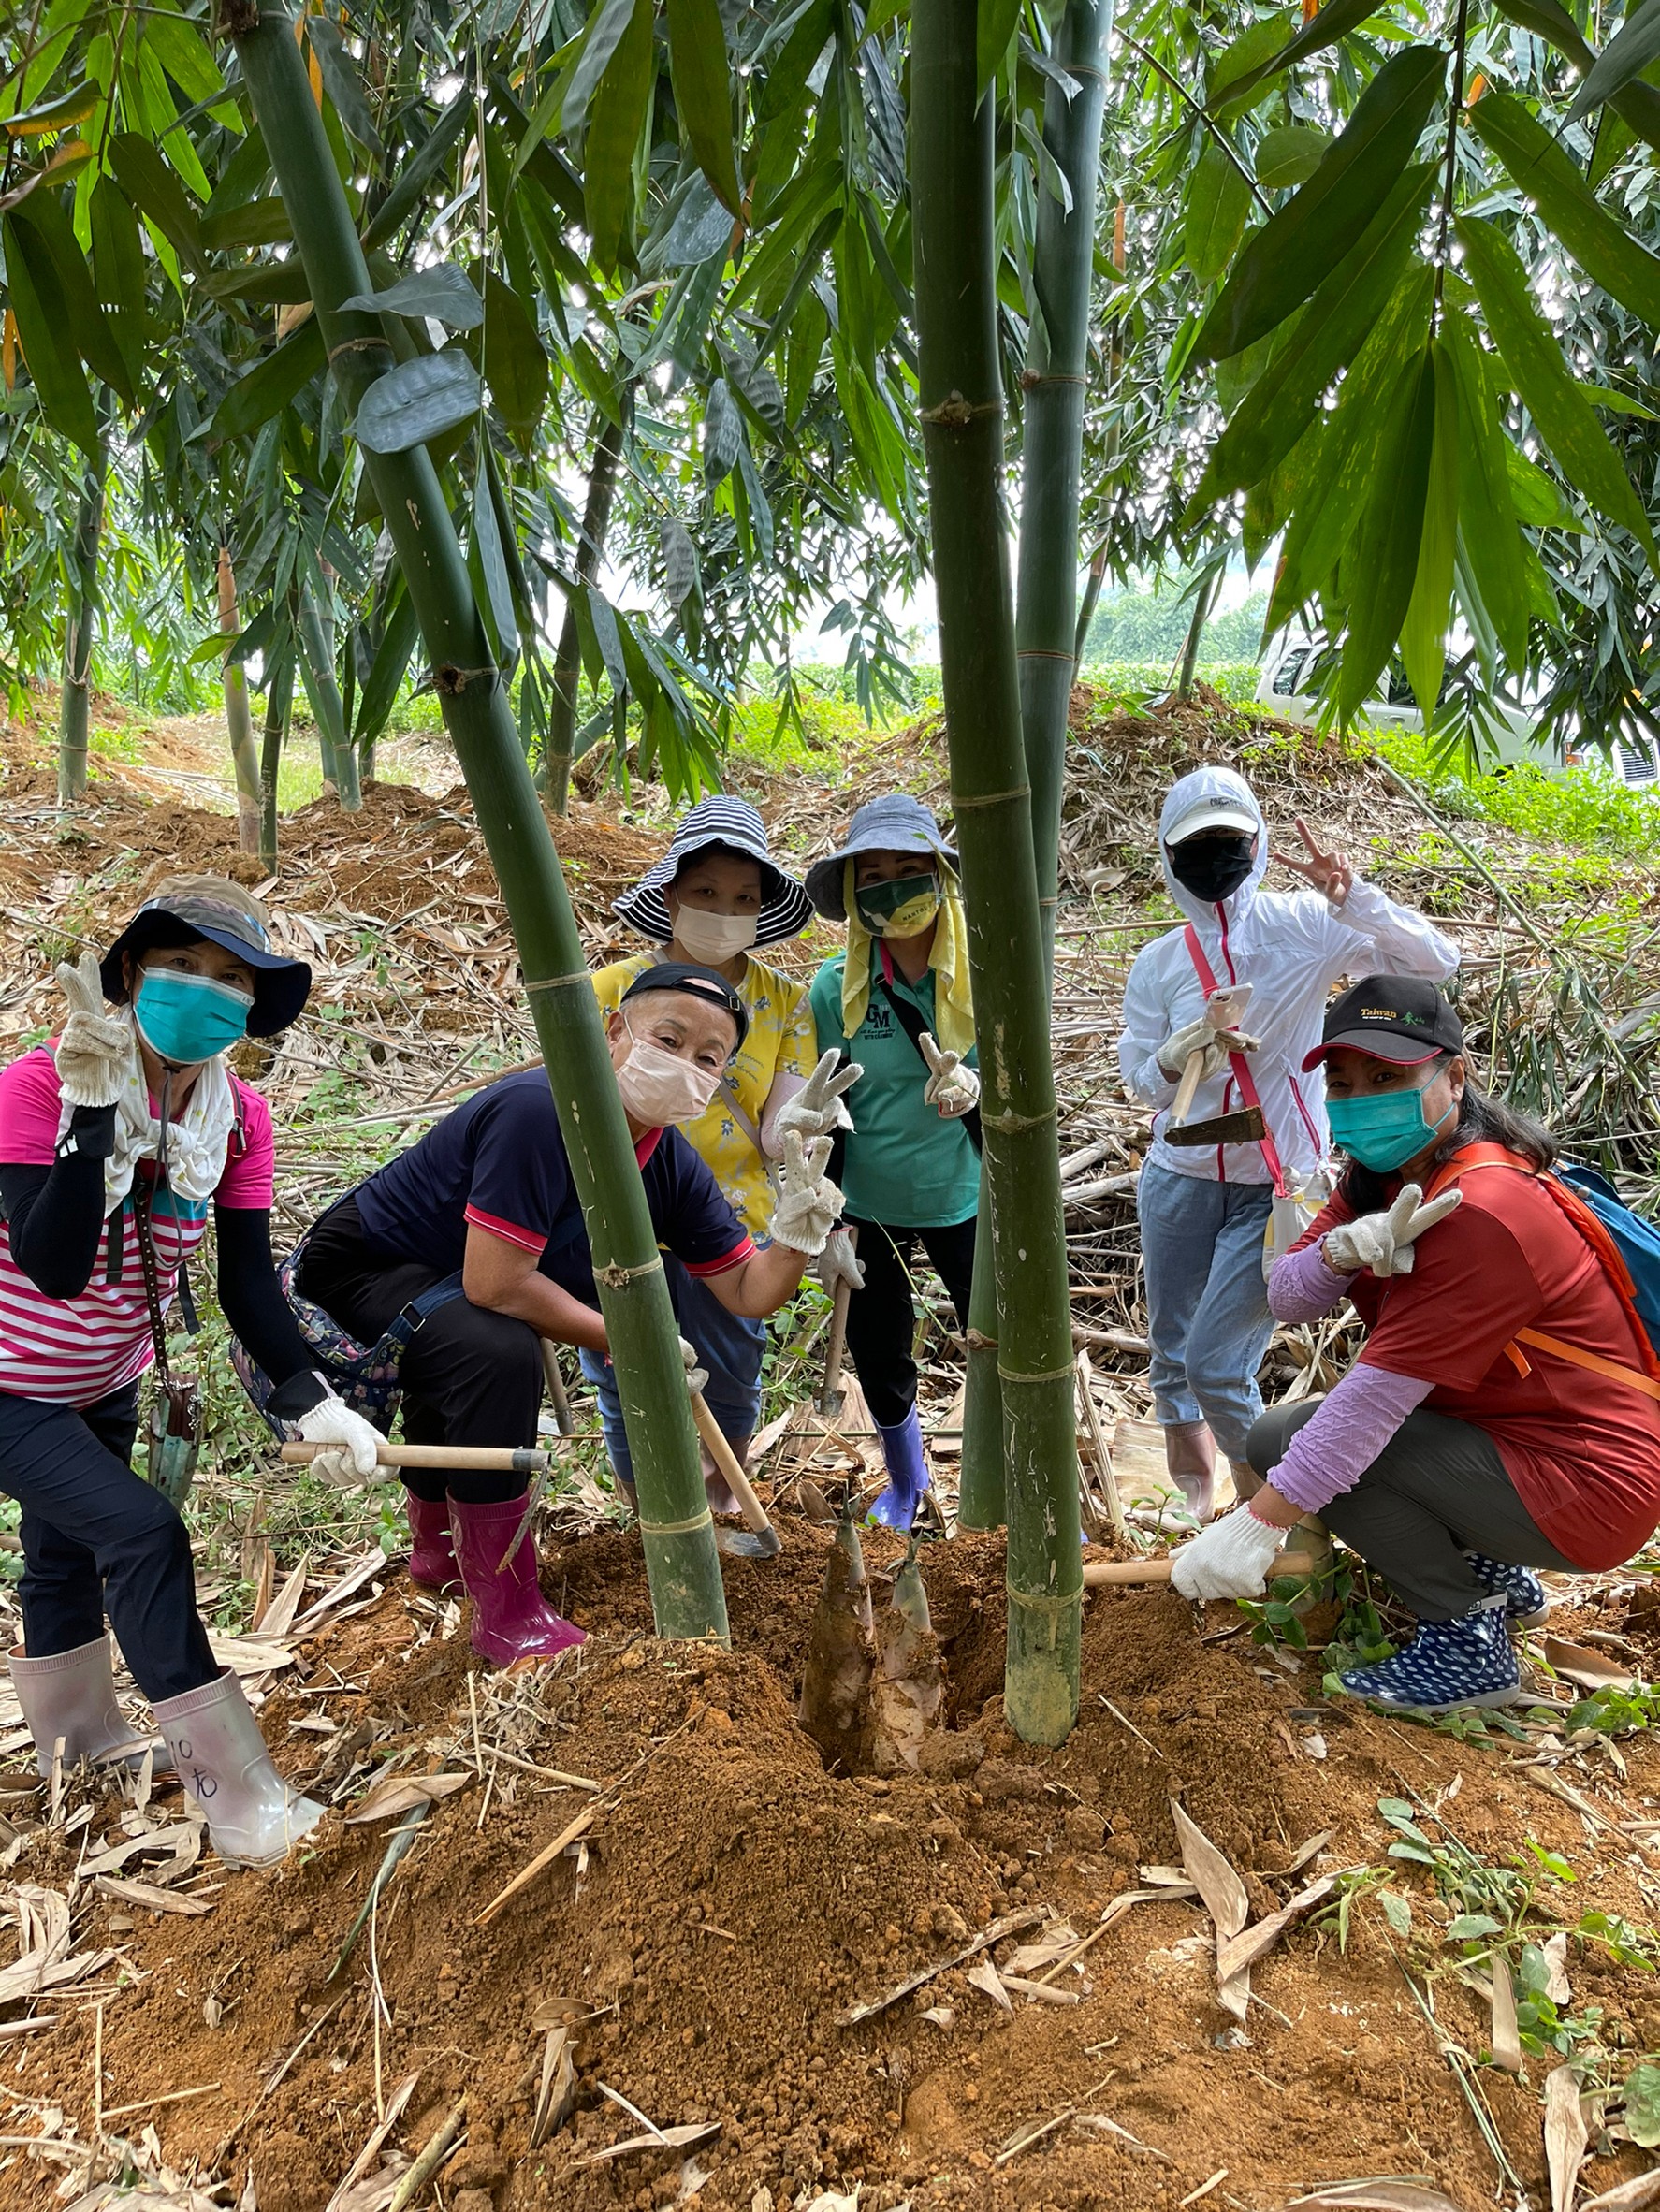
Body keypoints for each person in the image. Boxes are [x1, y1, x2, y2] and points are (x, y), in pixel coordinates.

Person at [294, 963, 844, 1662]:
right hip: (361, 1269)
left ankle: (440, 1552)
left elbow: (745, 1291)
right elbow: (495, 1282)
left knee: (477, 1338)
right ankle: (508, 1611)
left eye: (708, 1058)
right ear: (614, 1032)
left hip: (448, 1286)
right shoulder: (539, 1111)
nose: (684, 1066)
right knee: (493, 1348)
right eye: (668, 1040)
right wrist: (632, 1339)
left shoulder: (666, 1159)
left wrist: (796, 1233)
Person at [0, 878, 384, 1867]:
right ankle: (240, 1796)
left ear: (251, 1008)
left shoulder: (237, 1117)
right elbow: (53, 1265)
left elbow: (247, 1285)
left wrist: (316, 1403)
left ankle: (76, 1753)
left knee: (64, 1556)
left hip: (105, 1375)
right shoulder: (39, 1087)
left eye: (229, 978)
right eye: (182, 966)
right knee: (143, 1531)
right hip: (9, 1384)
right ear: (132, 971)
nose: (203, 991)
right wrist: (91, 1115)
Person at [1170, 976, 1660, 1713]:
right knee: (1287, 1438)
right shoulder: (1385, 1176)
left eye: (1388, 1077)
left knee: (1299, 1444)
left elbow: (1373, 1401)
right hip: (1512, 1438)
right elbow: (1288, 1296)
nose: (1362, 1099)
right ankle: (1493, 1575)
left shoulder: (1482, 1211)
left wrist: (1256, 1526)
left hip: (1588, 1482)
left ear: (1453, 1076)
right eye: (1345, 1081)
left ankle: (1466, 1637)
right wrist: (1341, 1251)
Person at [1117, 765, 1459, 1523]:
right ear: (1168, 857)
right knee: (1172, 1349)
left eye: (1229, 841)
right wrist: (1177, 1053)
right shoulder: (1160, 962)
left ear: (1258, 841)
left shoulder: (1305, 923)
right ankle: (1196, 1498)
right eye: (1195, 846)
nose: (1213, 860)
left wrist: (1355, 899)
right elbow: (1141, 1078)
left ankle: (1270, 1515)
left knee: (1215, 1360)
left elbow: (1434, 965)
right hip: (1178, 1175)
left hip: (1280, 1184)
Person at [590, 797, 853, 1509]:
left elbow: (778, 1130)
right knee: (625, 1369)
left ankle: (720, 1504)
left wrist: (801, 1122)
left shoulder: (785, 1000)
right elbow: (573, 1105)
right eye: (706, 892)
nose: (724, 910)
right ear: (671, 893)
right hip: (623, 1213)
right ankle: (647, 1508)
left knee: (731, 1370)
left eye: (743, 898)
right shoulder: (611, 989)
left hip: (733, 1225)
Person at [805, 795, 982, 1529]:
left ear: (940, 875)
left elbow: (1026, 1101)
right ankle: (908, 1482)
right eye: (870, 873)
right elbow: (828, 1111)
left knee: (999, 1342)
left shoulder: (988, 977)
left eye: (909, 870)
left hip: (968, 1197)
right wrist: (830, 1215)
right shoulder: (833, 990)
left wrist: (975, 1093)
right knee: (880, 1351)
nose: (890, 886)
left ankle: (1013, 1470)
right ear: (850, 894)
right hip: (869, 1203)